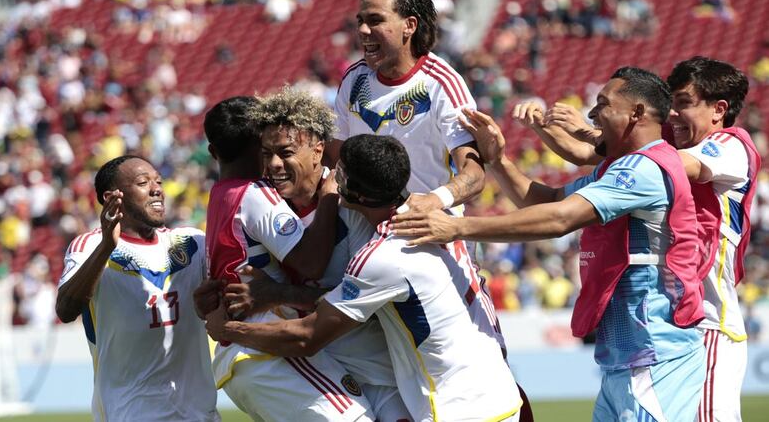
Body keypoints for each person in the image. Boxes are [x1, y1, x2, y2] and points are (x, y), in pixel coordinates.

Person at [393, 67, 706, 421]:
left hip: (655, 352)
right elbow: (546, 201)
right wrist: (496, 159)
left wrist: (455, 227)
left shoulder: (643, 170)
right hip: (629, 355)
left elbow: (559, 219)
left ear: (636, 113)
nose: (591, 114)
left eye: (603, 104)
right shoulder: (619, 169)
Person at [206, 134, 524, 422]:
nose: (333, 177)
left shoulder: (382, 257)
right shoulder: (441, 217)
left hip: (458, 409)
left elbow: (308, 336)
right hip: (500, 391)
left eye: (340, 173)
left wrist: (231, 329)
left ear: (355, 193)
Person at [516, 57, 760, 421]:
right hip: (676, 319)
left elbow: (664, 163)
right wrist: (546, 129)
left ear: (718, 109)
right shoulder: (667, 149)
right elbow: (595, 157)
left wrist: (593, 131)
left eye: (683, 103)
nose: (673, 114)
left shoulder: (729, 146)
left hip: (709, 320)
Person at [197, 96, 375, 421]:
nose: (275, 163)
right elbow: (310, 263)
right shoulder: (257, 195)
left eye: (284, 151)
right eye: (268, 151)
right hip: (264, 349)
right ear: (259, 144)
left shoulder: (221, 194)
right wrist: (328, 200)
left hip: (251, 354)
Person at [55, 156, 219, 422]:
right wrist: (107, 246)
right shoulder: (89, 246)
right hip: (130, 413)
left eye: (159, 181)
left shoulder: (192, 243)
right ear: (112, 198)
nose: (157, 189)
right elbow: (65, 309)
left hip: (199, 413)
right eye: (143, 182)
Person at [326, 0, 485, 215]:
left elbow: (474, 174)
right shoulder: (354, 78)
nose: (362, 30)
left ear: (409, 26)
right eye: (361, 21)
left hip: (424, 227)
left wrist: (432, 200)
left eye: (375, 20)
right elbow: (335, 156)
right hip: (362, 219)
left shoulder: (441, 84)